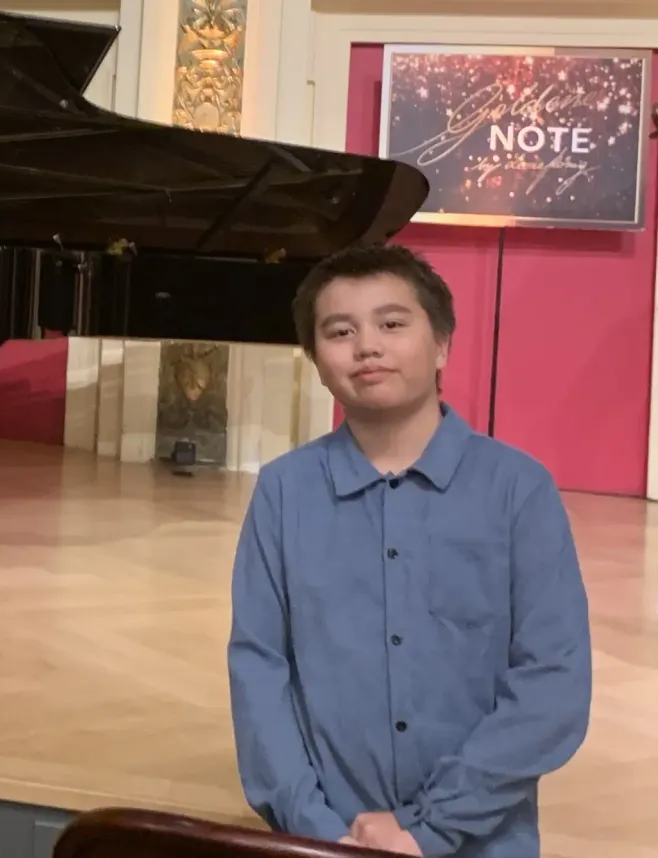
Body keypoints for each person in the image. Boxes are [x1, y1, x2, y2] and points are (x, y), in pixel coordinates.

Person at [225, 244, 592, 857]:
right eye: (340, 332)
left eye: (392, 324)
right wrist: (316, 828)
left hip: (482, 838)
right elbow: (259, 668)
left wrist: (428, 829)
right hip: (327, 839)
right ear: (316, 360)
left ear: (442, 343)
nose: (367, 346)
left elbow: (551, 682)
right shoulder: (285, 489)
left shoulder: (518, 488)